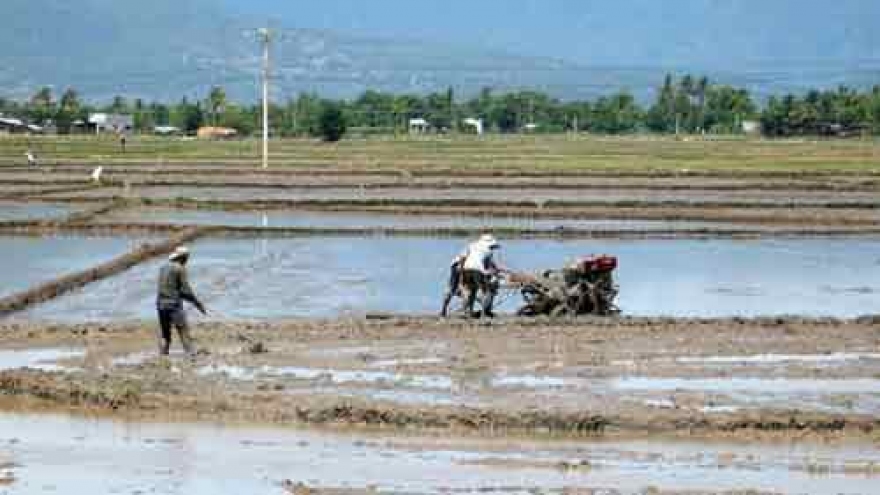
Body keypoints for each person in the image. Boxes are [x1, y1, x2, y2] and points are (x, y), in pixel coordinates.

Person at [156, 246, 207, 357]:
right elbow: (186, 291)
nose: (187, 261)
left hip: (160, 304)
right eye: (187, 258)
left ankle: (162, 354)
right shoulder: (179, 268)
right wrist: (197, 303)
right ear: (183, 258)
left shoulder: (163, 267)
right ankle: (191, 354)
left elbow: (169, 287)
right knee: (183, 329)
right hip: (173, 304)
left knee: (165, 332)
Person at [460, 234, 503, 318]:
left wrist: (462, 271)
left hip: (466, 268)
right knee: (486, 292)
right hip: (477, 270)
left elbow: (463, 258)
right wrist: (495, 273)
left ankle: (467, 313)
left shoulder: (472, 245)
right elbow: (488, 266)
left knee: (470, 291)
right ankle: (484, 313)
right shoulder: (488, 251)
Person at [440, 248, 468, 317]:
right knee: (451, 290)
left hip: (463, 274)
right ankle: (443, 311)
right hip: (456, 274)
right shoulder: (455, 265)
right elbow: (462, 259)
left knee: (466, 293)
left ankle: (464, 311)